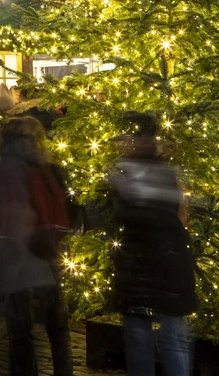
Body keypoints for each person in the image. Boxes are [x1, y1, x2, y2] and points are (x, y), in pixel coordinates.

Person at [0, 117, 73, 376]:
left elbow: (5, 214)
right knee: (57, 323)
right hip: (50, 248)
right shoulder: (48, 165)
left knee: (21, 326)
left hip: (18, 253)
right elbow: (68, 208)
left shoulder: (5, 166)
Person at [109, 113, 196, 376]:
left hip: (156, 264)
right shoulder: (135, 170)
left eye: (126, 138)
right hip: (147, 265)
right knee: (146, 338)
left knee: (167, 338)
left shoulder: (150, 172)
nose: (121, 144)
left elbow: (157, 215)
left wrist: (129, 191)